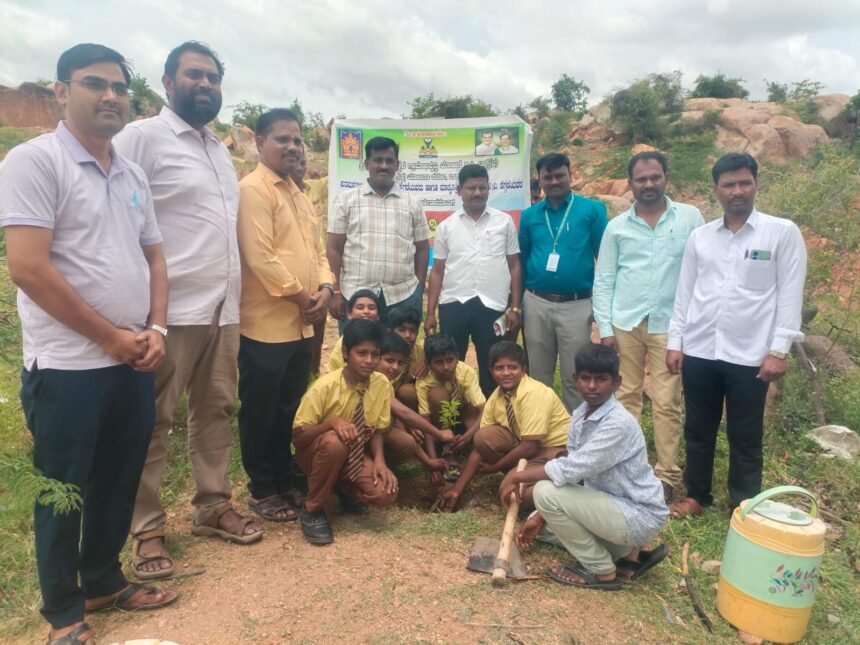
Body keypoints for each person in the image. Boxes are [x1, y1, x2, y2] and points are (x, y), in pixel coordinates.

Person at [0, 43, 177, 644]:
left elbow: (153, 254)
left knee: (118, 477)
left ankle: (103, 579)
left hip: (132, 359)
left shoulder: (129, 172)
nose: (109, 96)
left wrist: (155, 330)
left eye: (119, 87)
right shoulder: (35, 162)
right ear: (60, 91)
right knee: (64, 490)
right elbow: (28, 268)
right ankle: (63, 612)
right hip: (69, 367)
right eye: (93, 84)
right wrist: (115, 340)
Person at [114, 41, 261, 580]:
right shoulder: (141, 139)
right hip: (168, 312)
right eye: (194, 75)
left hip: (223, 310)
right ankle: (147, 527)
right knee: (154, 420)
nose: (206, 86)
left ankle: (212, 503)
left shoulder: (219, 150)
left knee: (217, 410)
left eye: (214, 78)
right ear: (167, 83)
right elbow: (118, 221)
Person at [666, 153, 807, 518]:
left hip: (750, 355)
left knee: (745, 435)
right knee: (698, 428)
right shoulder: (700, 237)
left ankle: (743, 504)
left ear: (756, 184)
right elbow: (685, 293)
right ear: (716, 190)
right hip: (700, 350)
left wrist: (779, 349)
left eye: (744, 182)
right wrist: (675, 342)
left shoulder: (781, 233)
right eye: (729, 184)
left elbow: (790, 294)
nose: (737, 190)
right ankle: (697, 495)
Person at [236, 108, 334, 524]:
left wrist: (326, 288)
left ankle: (282, 475)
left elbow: (317, 251)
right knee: (260, 407)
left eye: (297, 140)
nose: (293, 146)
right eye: (282, 139)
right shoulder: (254, 190)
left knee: (288, 407)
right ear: (259, 143)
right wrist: (302, 297)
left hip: (302, 323)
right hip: (265, 325)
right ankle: (261, 487)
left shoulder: (298, 193)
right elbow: (261, 257)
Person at [504, 344, 668, 590]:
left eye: (601, 379)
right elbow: (574, 478)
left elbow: (571, 470)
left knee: (543, 493)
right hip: (610, 506)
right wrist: (539, 518)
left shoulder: (618, 423)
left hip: (636, 514)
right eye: (585, 378)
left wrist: (517, 477)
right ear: (575, 379)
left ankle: (601, 570)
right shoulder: (580, 415)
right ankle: (625, 555)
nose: (592, 386)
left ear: (617, 382)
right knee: (542, 523)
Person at [593, 151, 704, 502]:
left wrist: (690, 328)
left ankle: (667, 475)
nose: (648, 184)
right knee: (625, 398)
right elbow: (604, 279)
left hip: (669, 327)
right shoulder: (617, 227)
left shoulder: (689, 218)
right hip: (625, 323)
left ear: (665, 177)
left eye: (655, 177)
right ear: (630, 185)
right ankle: (628, 468)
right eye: (641, 179)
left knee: (667, 402)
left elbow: (703, 273)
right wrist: (606, 329)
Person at [293, 320, 398, 544]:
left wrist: (380, 461)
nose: (369, 361)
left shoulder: (381, 384)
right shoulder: (326, 386)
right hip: (315, 454)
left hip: (355, 456)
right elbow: (299, 437)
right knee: (334, 442)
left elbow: (378, 430)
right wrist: (331, 424)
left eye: (374, 354)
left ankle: (343, 489)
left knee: (385, 493)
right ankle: (313, 510)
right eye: (361, 353)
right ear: (345, 353)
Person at [519, 152, 607, 411]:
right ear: (540, 180)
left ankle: (575, 435)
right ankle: (542, 434)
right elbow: (522, 260)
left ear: (571, 175)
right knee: (539, 376)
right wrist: (519, 304)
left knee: (575, 375)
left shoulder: (592, 210)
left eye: (560, 175)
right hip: (536, 302)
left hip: (577, 305)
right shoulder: (530, 215)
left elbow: (605, 260)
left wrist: (602, 309)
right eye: (548, 176)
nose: (554, 181)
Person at [425, 164, 522, 396]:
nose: (477, 193)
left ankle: (492, 419)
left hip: (493, 306)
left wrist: (515, 308)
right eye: (471, 188)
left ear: (489, 189)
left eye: (482, 187)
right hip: (453, 305)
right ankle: (455, 420)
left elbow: (515, 265)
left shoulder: (504, 222)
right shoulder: (446, 226)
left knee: (493, 367)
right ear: (459, 190)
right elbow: (437, 271)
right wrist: (430, 313)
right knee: (450, 367)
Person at [439, 342, 568, 512]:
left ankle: (560, 493)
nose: (506, 373)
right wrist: (457, 490)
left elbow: (530, 446)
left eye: (512, 367)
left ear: (523, 369)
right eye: (499, 368)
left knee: (509, 493)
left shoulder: (534, 393)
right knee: (484, 437)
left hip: (553, 452)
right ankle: (522, 475)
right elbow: (480, 447)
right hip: (527, 450)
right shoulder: (498, 396)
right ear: (491, 371)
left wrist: (494, 467)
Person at [327, 136, 430, 325]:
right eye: (378, 160)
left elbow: (423, 248)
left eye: (390, 161)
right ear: (367, 163)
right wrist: (336, 291)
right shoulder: (346, 201)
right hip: (356, 297)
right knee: (358, 353)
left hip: (403, 296)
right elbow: (333, 249)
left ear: (397, 165)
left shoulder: (412, 204)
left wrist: (419, 286)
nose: (384, 166)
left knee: (399, 354)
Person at [375, 332, 453, 474]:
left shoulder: (385, 382)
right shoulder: (375, 380)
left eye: (400, 363)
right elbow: (404, 413)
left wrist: (428, 461)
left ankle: (380, 459)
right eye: (389, 360)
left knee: (407, 442)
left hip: (372, 432)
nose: (395, 367)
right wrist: (440, 434)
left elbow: (397, 419)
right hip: (351, 435)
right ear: (376, 357)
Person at [416, 334, 486, 472]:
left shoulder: (466, 372)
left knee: (479, 435)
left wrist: (467, 437)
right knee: (438, 395)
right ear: (428, 364)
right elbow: (426, 421)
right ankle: (447, 450)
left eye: (450, 360)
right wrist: (432, 459)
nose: (446, 367)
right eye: (438, 362)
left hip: (464, 412)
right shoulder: (423, 382)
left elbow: (483, 409)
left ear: (457, 357)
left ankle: (469, 446)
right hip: (440, 420)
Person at [290, 148, 331, 375]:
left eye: (303, 162)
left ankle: (313, 375)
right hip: (287, 278)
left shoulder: (313, 190)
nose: (299, 167)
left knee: (317, 327)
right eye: (295, 162)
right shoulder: (270, 193)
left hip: (318, 271)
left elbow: (338, 173)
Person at [327, 289, 382, 371]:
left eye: (371, 308)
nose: (366, 311)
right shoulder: (343, 341)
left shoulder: (383, 338)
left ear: (378, 315)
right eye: (360, 307)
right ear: (349, 313)